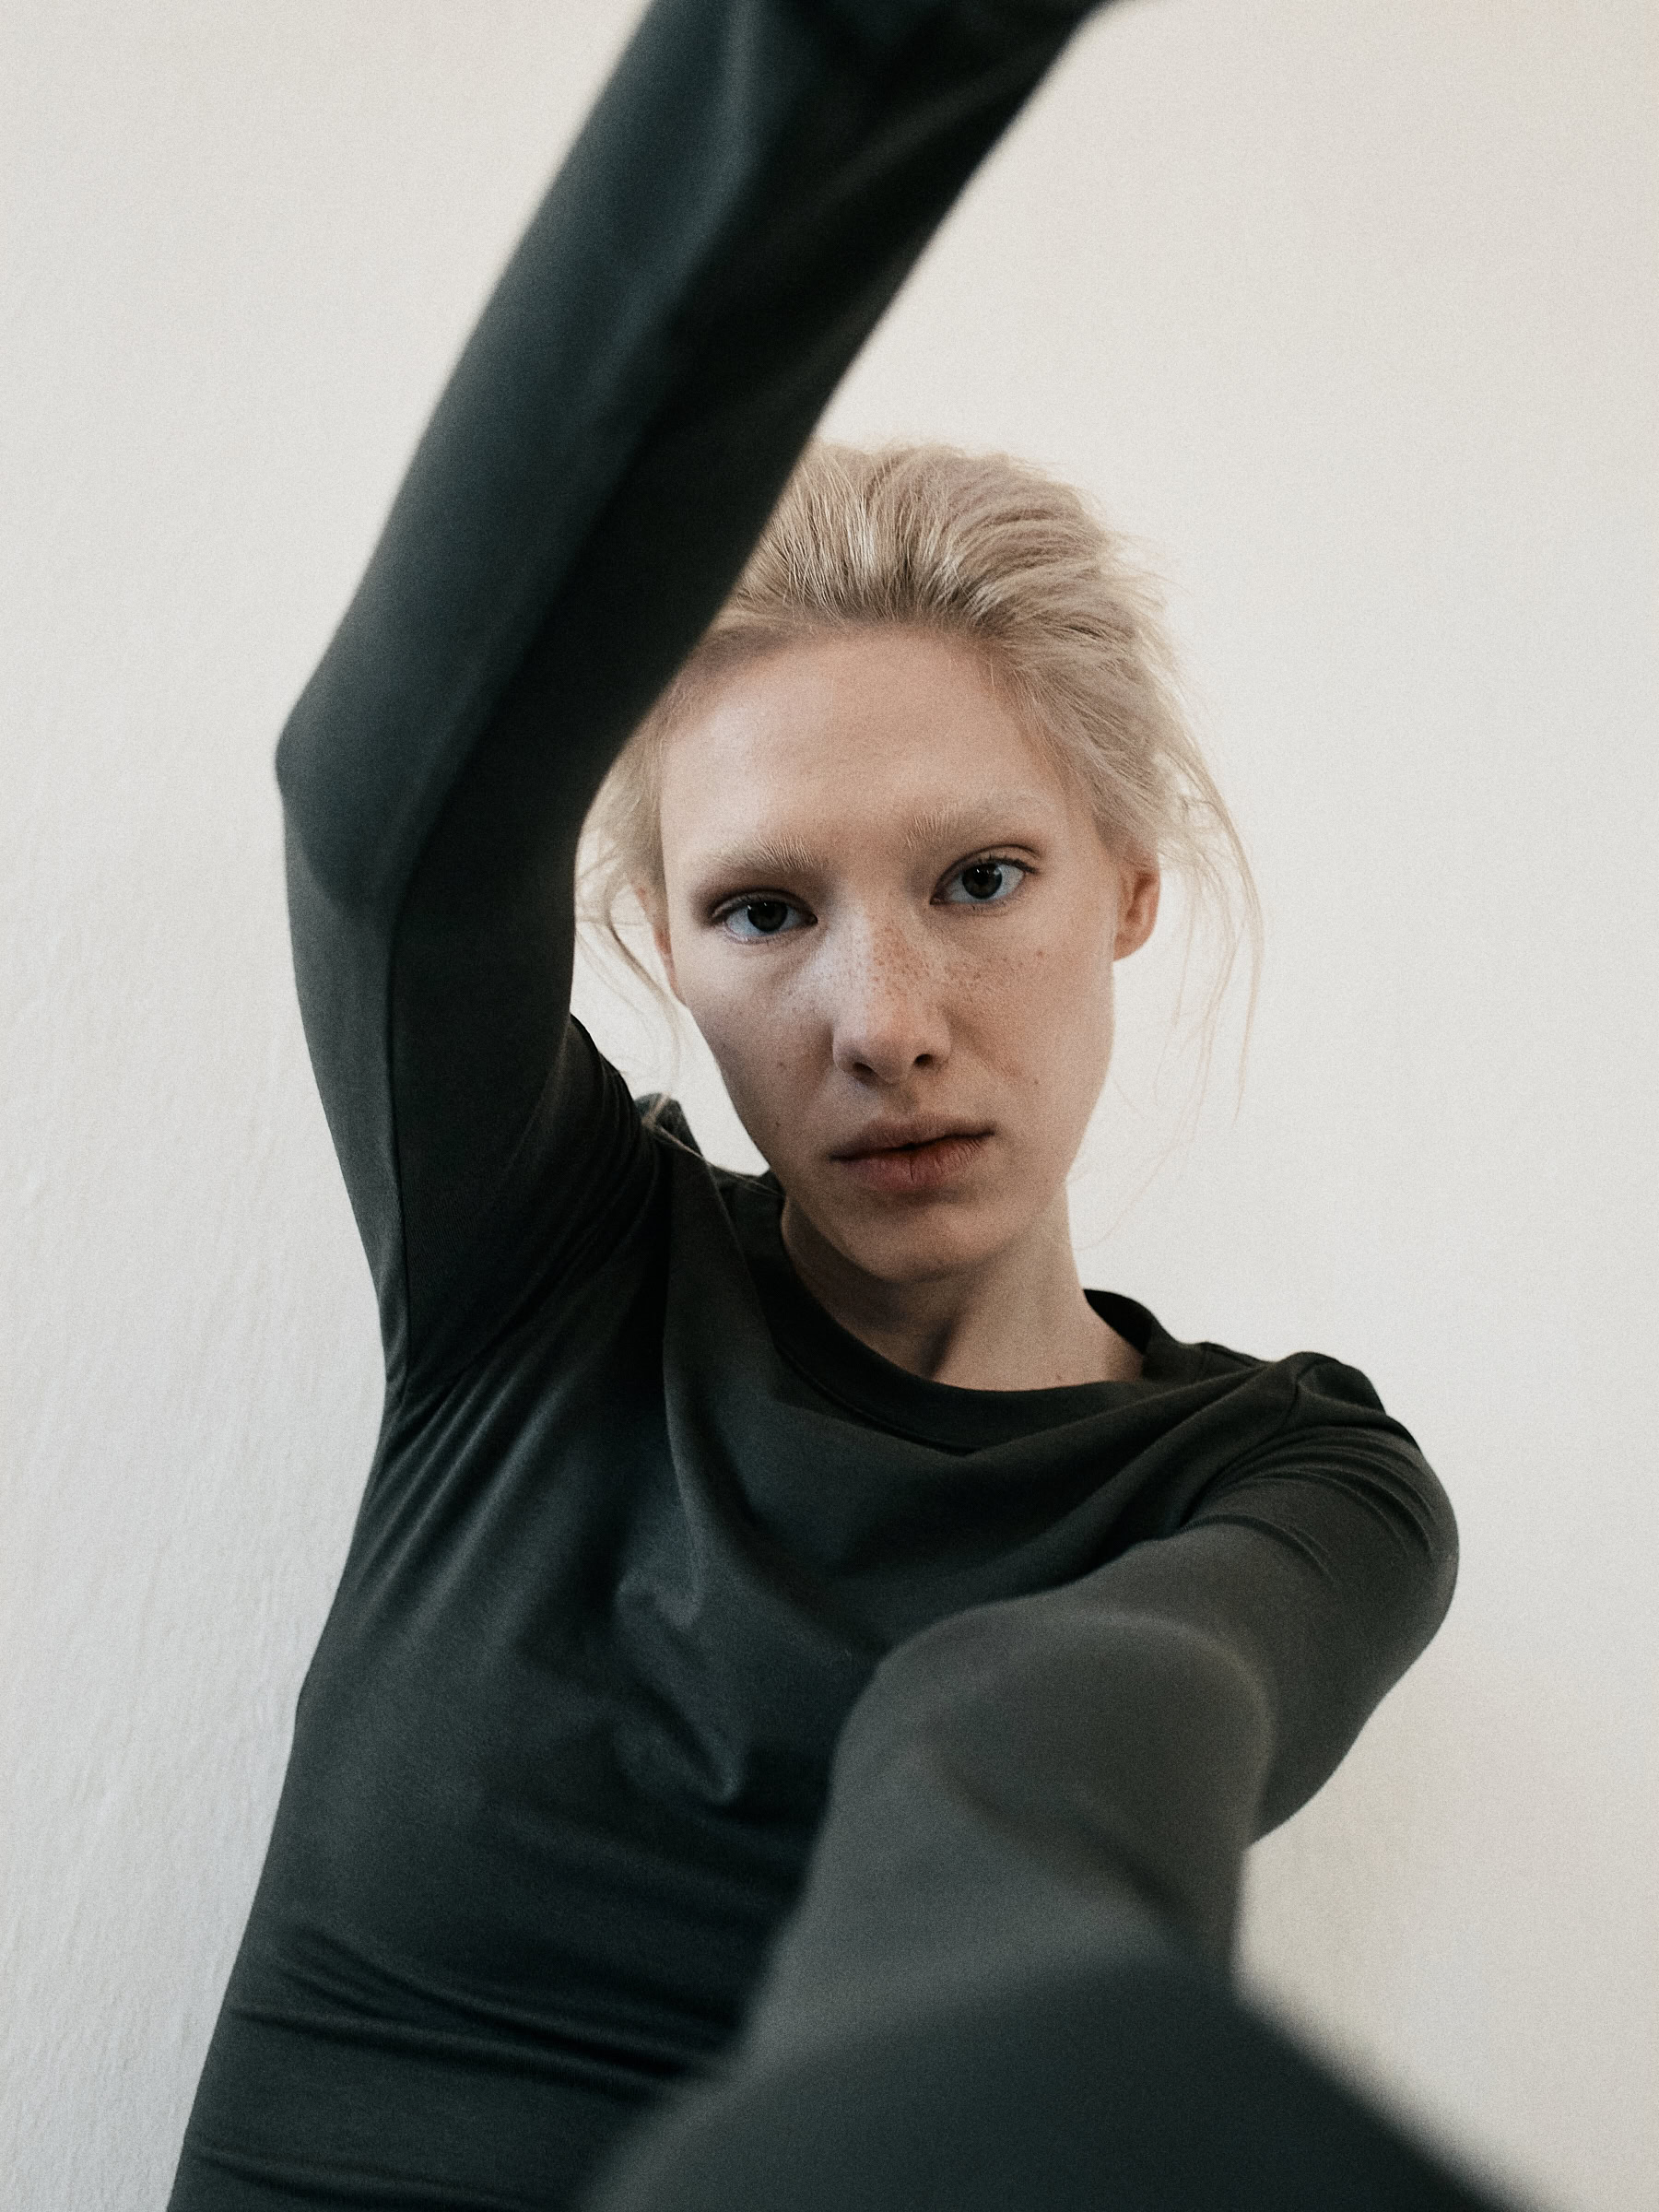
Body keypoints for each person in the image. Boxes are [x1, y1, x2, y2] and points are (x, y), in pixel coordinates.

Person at [165, 3, 1507, 2207]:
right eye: (766, 910)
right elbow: (389, 826)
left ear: (1129, 881)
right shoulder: (546, 1280)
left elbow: (1067, 1722)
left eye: (978, 879)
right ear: (661, 945)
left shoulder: (1295, 1485)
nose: (883, 1021)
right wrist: (831, 55)